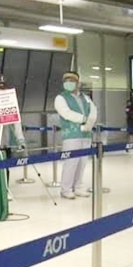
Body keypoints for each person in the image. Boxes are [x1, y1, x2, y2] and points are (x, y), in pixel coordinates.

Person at [54, 71, 98, 200]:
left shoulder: (85, 97)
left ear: (78, 83)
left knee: (82, 162)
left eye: (72, 80)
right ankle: (66, 189)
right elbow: (66, 113)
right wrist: (83, 119)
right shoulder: (60, 98)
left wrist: (89, 122)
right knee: (71, 162)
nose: (69, 83)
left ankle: (78, 186)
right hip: (71, 134)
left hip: (86, 133)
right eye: (66, 80)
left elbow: (93, 110)